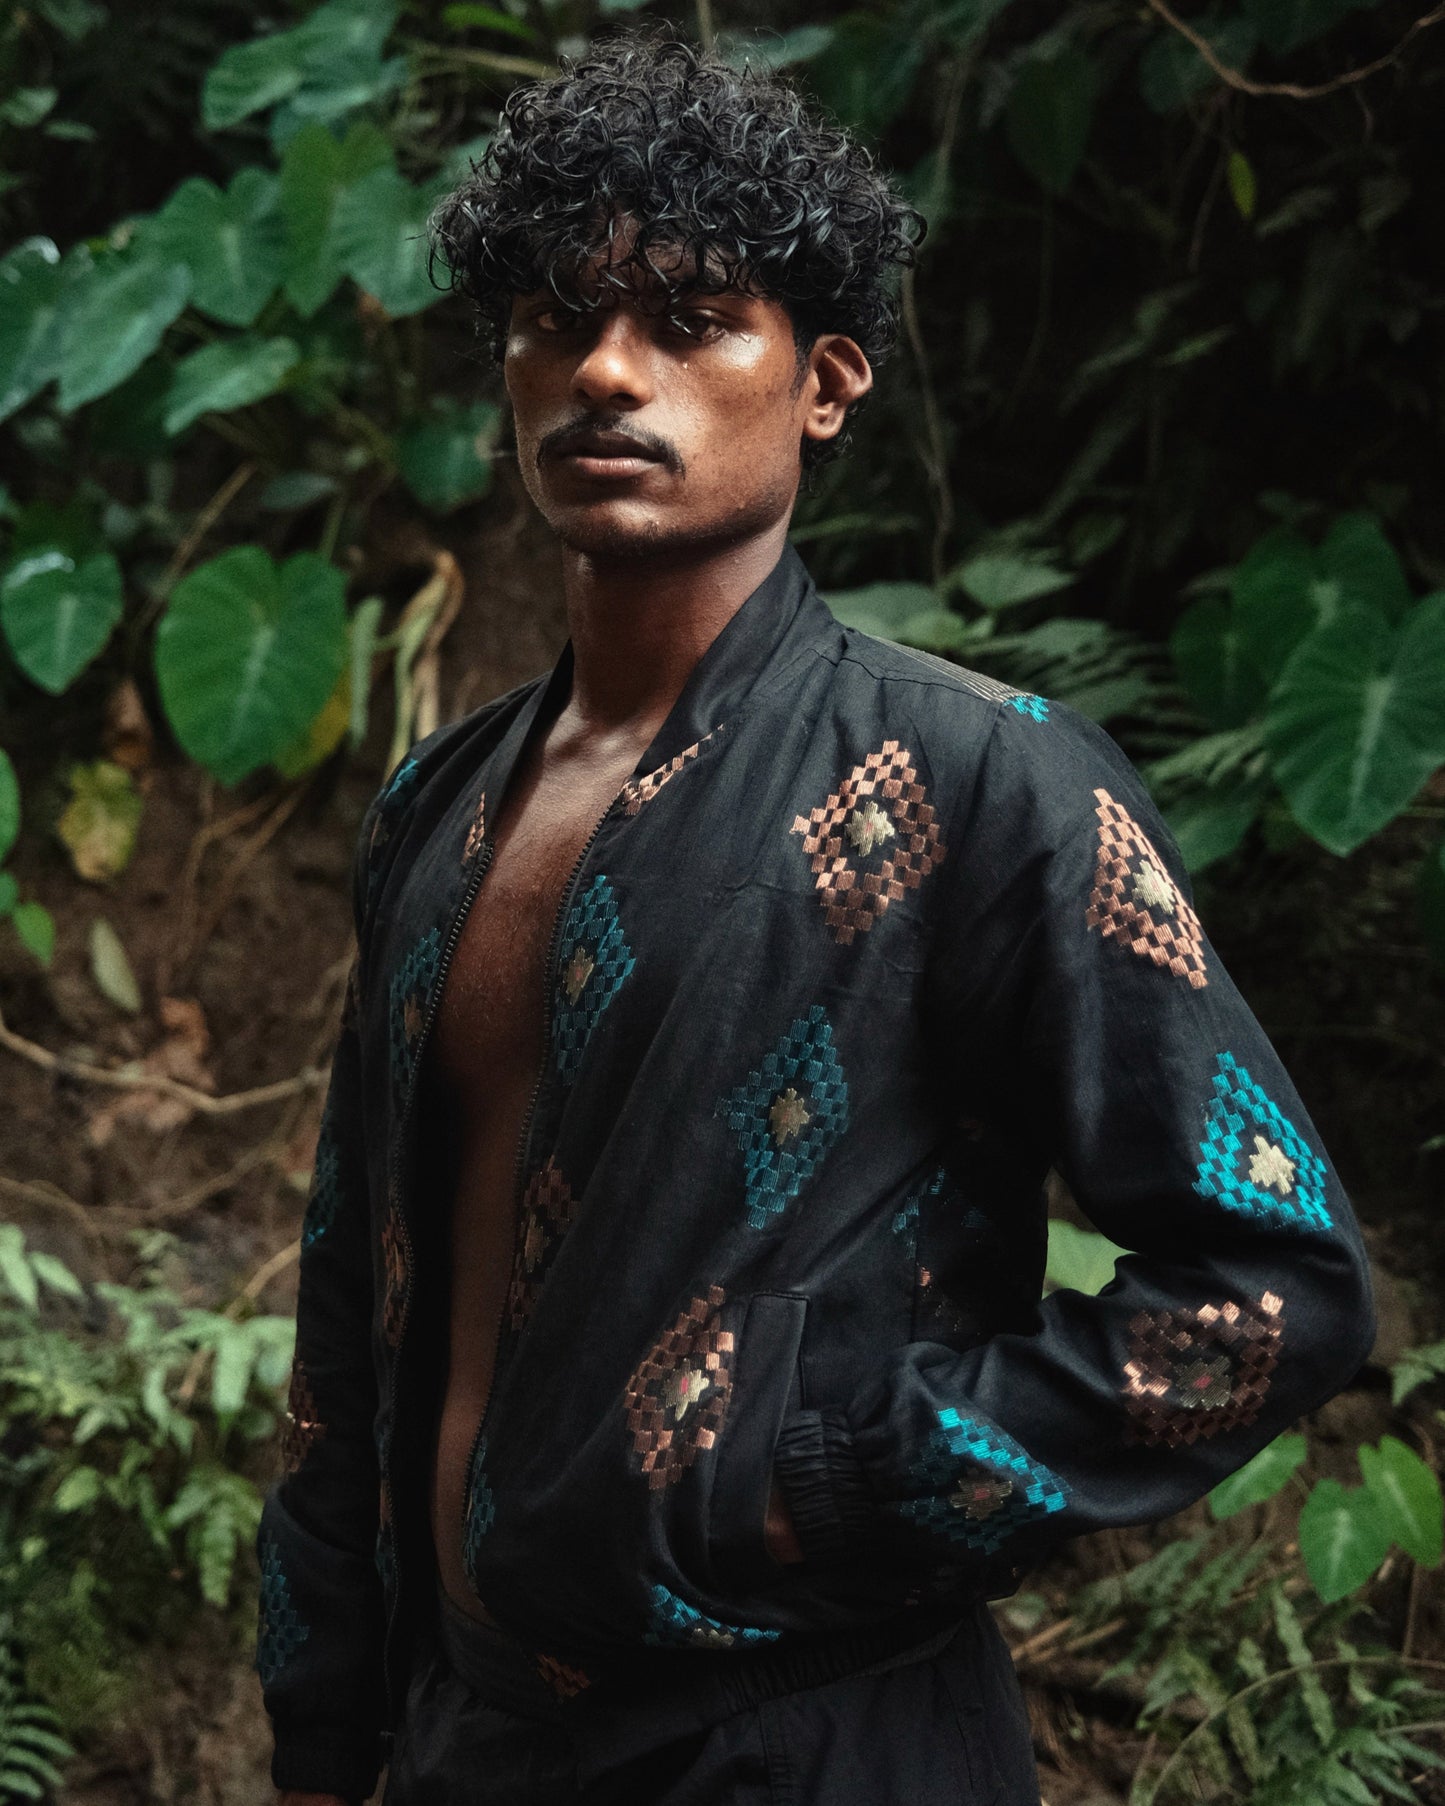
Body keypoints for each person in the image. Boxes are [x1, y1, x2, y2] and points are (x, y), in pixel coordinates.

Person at [256, 33, 1376, 1806]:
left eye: (692, 320)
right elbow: (352, 1308)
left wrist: (831, 1474)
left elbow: (1275, 1284)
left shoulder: (984, 779)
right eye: (557, 316)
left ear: (827, 380)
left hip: (815, 1744)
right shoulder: (442, 801)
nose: (607, 368)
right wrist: (321, 1733)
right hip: (456, 1738)